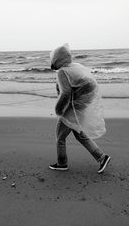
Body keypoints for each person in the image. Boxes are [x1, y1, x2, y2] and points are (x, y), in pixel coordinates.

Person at [49, 43, 111, 174]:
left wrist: (59, 110)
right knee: (80, 135)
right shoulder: (75, 67)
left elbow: (66, 93)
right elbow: (87, 85)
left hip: (71, 110)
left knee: (60, 137)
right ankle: (101, 157)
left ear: (57, 59)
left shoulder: (63, 72)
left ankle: (62, 163)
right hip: (81, 107)